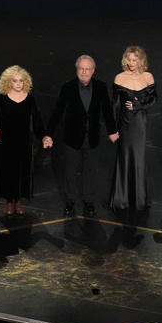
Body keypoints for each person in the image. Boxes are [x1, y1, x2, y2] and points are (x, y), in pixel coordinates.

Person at [43, 55, 118, 218]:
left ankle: (88, 201)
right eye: (81, 69)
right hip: (72, 138)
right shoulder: (68, 87)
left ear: (93, 70)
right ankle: (70, 201)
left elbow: (107, 110)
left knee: (90, 172)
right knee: (70, 171)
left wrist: (112, 130)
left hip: (92, 138)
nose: (84, 72)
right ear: (77, 70)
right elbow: (57, 112)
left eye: (87, 69)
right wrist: (48, 134)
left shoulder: (100, 87)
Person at [0, 65, 45, 216]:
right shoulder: (1, 99)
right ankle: (9, 201)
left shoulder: (31, 99)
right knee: (9, 171)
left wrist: (44, 137)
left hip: (24, 142)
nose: (19, 84)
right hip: (6, 142)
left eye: (21, 80)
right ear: (9, 82)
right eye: (15, 81)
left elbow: (37, 122)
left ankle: (18, 200)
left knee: (22, 172)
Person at [109, 45, 157, 213]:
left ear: (140, 60)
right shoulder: (119, 78)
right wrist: (112, 129)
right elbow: (114, 105)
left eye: (134, 60)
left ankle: (139, 199)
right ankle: (121, 199)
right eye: (129, 60)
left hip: (140, 123)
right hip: (124, 122)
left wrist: (139, 104)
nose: (131, 63)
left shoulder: (148, 76)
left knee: (138, 157)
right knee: (124, 157)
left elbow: (153, 98)